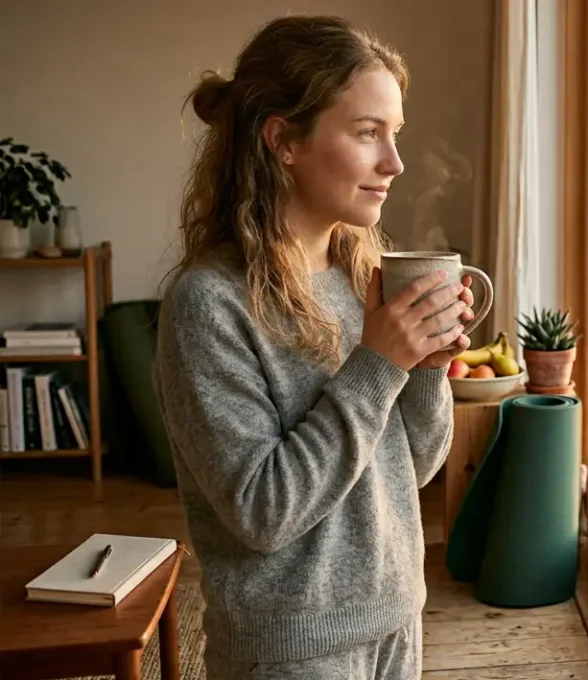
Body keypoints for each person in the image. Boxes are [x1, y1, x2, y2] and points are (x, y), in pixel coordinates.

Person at [152, 15, 473, 679]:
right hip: (291, 652)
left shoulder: (365, 276)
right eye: (367, 133)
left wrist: (424, 371)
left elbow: (406, 472)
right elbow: (263, 511)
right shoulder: (209, 304)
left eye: (395, 134)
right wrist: (378, 365)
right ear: (283, 141)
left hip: (396, 622)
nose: (395, 163)